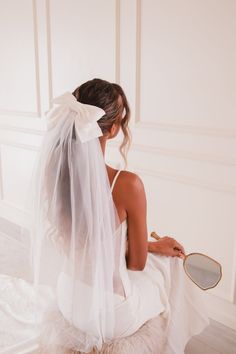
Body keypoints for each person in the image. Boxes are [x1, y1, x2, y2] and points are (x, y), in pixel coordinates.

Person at [0, 78, 210, 354]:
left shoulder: (55, 176)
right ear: (112, 130)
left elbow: (86, 246)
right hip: (111, 314)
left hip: (68, 297)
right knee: (165, 272)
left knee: (158, 259)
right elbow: (136, 264)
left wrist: (152, 245)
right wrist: (152, 250)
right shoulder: (127, 184)